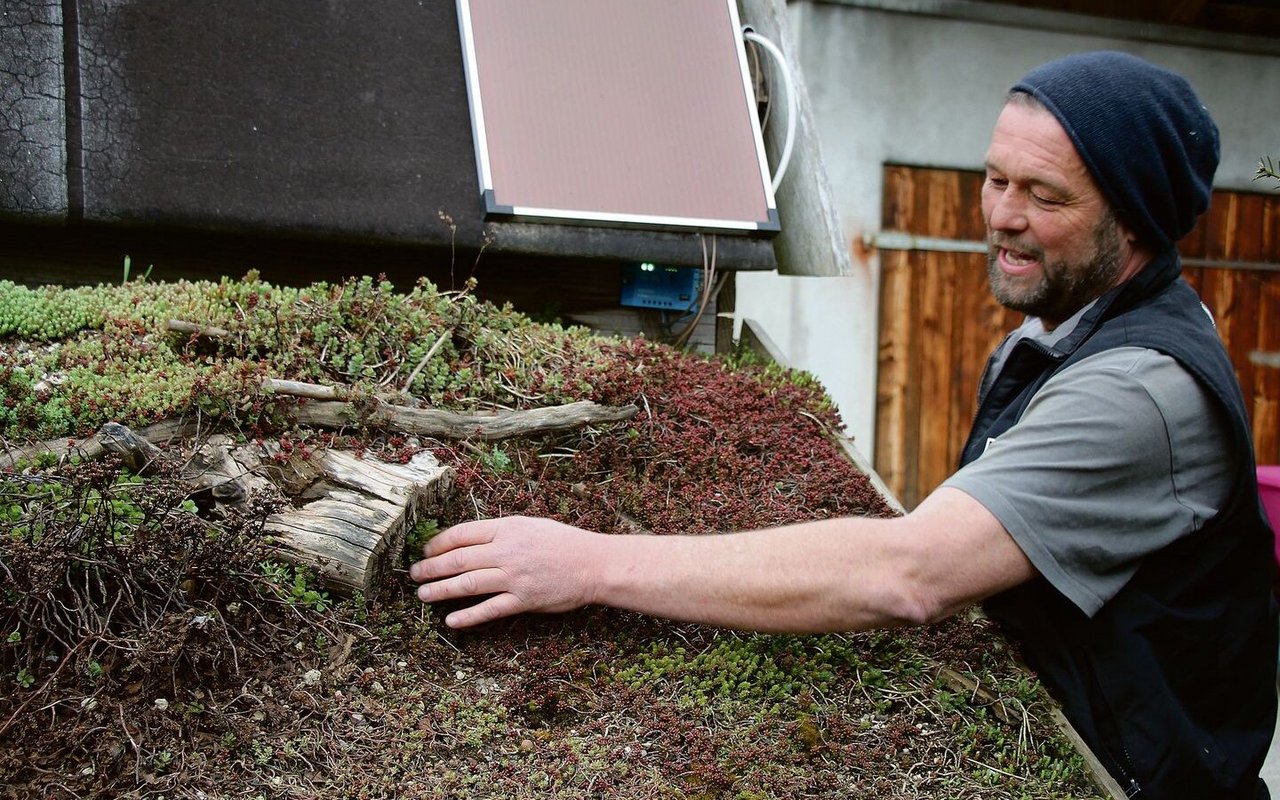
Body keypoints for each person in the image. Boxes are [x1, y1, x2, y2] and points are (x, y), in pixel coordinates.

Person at [410, 51, 1277, 798]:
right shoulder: (1064, 323)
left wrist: (593, 562)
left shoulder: (1139, 393)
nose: (1002, 214)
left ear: (1134, 219)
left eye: (1045, 195)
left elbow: (911, 575)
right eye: (996, 177)